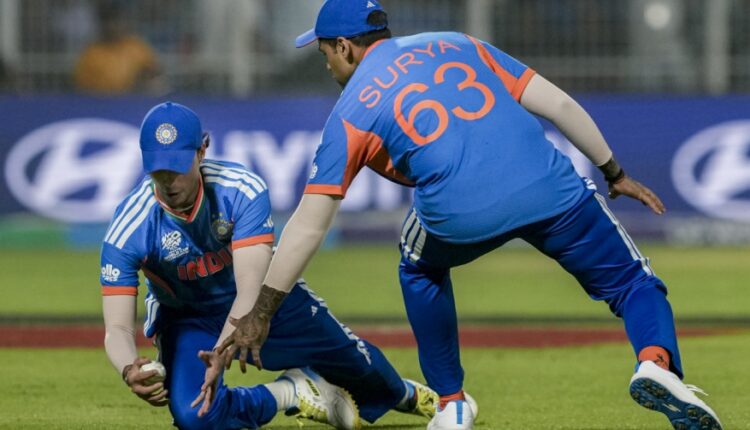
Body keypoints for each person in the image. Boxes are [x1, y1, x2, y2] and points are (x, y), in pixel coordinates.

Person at [211, 1, 724, 429]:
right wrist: (614, 171)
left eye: (324, 52)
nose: (326, 65)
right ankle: (656, 363)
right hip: (548, 187)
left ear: (344, 47)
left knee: (418, 265)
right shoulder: (458, 42)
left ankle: (452, 403)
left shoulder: (349, 113)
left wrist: (262, 312)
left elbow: (309, 224)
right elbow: (560, 105)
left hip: (459, 213)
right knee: (632, 282)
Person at [100, 101, 474, 429]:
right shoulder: (129, 227)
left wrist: (221, 352)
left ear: (202, 150)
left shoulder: (240, 191)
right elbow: (116, 327)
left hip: (264, 303)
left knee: (358, 367)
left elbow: (249, 289)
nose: (168, 181)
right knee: (195, 416)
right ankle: (292, 392)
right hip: (187, 319)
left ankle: (406, 395)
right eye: (158, 170)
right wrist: (129, 367)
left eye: (177, 167)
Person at [74, 2, 164, 94]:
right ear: (102, 25)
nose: (112, 27)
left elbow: (155, 74)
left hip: (134, 99)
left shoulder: (137, 47)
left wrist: (145, 82)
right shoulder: (91, 53)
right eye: (108, 22)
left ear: (124, 23)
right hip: (99, 100)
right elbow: (81, 87)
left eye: (117, 22)